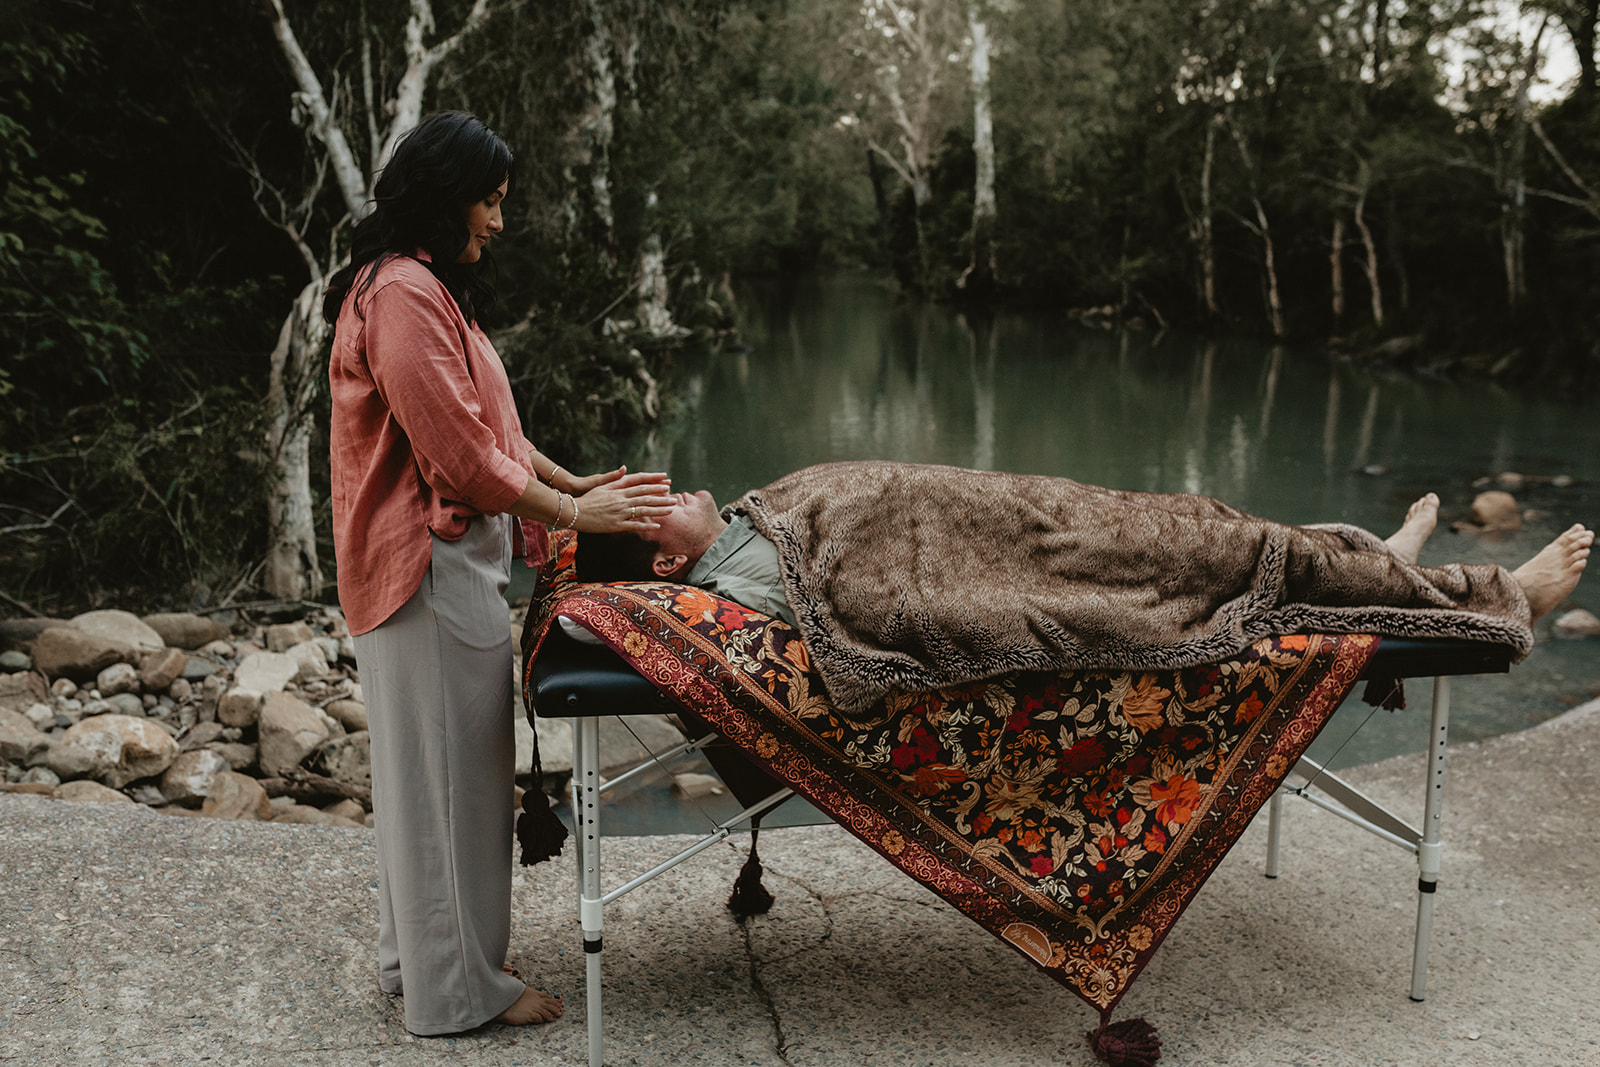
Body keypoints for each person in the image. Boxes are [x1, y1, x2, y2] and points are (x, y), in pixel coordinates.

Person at [324, 111, 675, 1036]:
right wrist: (573, 516)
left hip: (435, 565)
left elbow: (495, 432)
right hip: (425, 567)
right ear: (445, 197)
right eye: (490, 200)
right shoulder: (404, 295)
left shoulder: (420, 284)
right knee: (455, 786)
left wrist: (574, 483)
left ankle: (423, 963)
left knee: (429, 781)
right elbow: (462, 460)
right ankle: (457, 991)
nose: (500, 220)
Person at [575, 470, 1592, 674]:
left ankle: (1374, 562)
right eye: (649, 500)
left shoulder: (754, 516)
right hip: (1019, 564)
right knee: (1206, 559)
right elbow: (865, 603)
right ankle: (1495, 595)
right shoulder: (738, 581)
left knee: (1196, 522)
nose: (672, 482)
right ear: (666, 556)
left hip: (1024, 515)